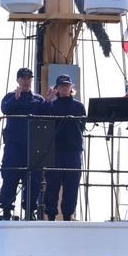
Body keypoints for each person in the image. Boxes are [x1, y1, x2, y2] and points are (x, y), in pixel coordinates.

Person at [0, 67, 46, 220]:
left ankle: (30, 210)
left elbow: (46, 114)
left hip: (33, 145)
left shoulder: (38, 99)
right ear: (17, 80)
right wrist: (16, 98)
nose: (26, 81)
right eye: (23, 78)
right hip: (14, 145)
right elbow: (6, 109)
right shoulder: (10, 96)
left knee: (34, 180)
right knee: (10, 176)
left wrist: (49, 101)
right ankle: (6, 210)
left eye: (28, 78)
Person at [42, 74, 87, 220]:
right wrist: (47, 101)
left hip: (73, 151)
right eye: (61, 86)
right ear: (56, 88)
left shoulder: (79, 106)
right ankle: (51, 214)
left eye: (67, 85)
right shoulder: (52, 105)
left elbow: (82, 126)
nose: (64, 88)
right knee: (52, 184)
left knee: (72, 184)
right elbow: (43, 120)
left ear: (71, 87)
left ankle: (68, 214)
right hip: (55, 151)